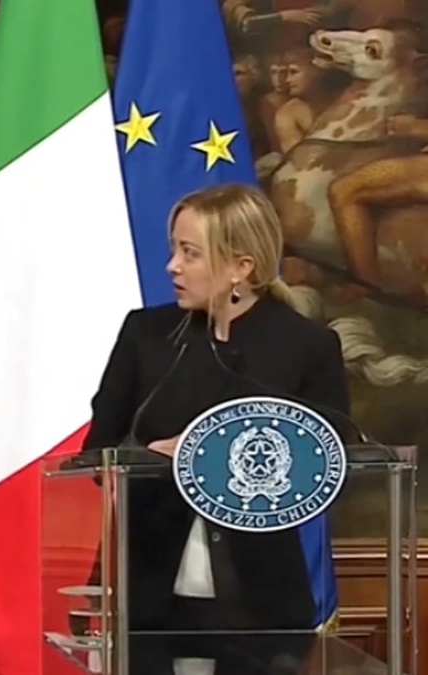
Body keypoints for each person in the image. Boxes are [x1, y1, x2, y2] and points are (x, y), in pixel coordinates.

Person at [82, 183, 352, 635]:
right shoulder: (146, 335)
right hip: (148, 596)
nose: (172, 266)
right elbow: (97, 453)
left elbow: (332, 469)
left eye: (190, 253)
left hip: (263, 603)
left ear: (240, 267)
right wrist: (148, 457)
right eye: (174, 249)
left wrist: (214, 458)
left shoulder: (307, 346)